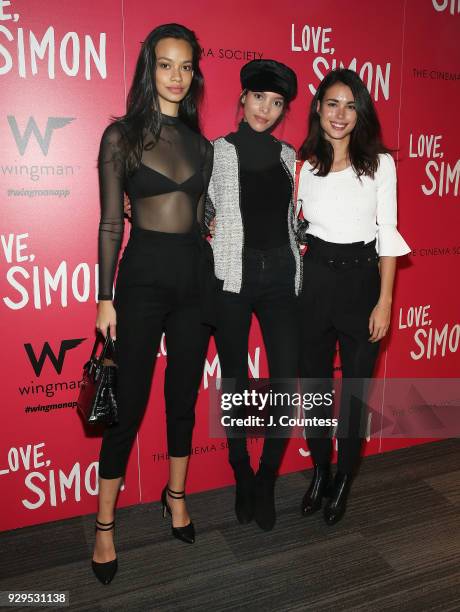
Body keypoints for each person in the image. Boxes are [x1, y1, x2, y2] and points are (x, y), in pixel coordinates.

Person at [93, 23, 214, 584]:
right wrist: (105, 298)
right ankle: (104, 527)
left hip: (196, 281)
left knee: (183, 396)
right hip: (139, 283)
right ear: (150, 69)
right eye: (166, 64)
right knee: (129, 406)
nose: (177, 75)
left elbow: (206, 218)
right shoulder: (120, 137)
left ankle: (176, 496)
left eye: (186, 66)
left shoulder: (203, 145)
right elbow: (111, 224)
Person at [297, 68, 410, 525]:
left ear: (360, 111)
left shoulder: (381, 164)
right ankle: (321, 471)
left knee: (354, 396)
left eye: (350, 105)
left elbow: (387, 234)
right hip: (314, 283)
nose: (340, 114)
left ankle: (344, 477)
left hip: (363, 284)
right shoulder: (303, 165)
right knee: (317, 391)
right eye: (332, 104)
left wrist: (384, 302)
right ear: (318, 109)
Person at [206, 59, 301, 532]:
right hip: (233, 279)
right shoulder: (216, 151)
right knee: (237, 381)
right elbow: (197, 206)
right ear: (243, 98)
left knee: (287, 380)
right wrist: (207, 223)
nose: (266, 108)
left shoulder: (290, 156)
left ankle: (266, 478)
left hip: (282, 275)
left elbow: (295, 216)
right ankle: (241, 470)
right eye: (259, 97)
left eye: (277, 102)